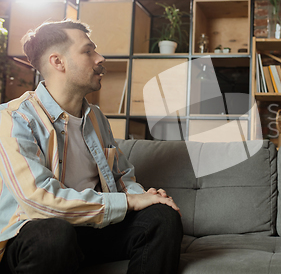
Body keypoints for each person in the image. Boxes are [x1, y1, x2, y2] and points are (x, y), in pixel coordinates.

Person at [0, 20, 183, 274]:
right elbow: (39, 199)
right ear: (58, 62)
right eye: (88, 51)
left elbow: (121, 177)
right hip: (31, 233)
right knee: (54, 234)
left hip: (90, 228)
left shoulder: (97, 118)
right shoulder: (14, 118)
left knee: (162, 217)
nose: (100, 57)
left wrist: (146, 198)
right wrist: (128, 202)